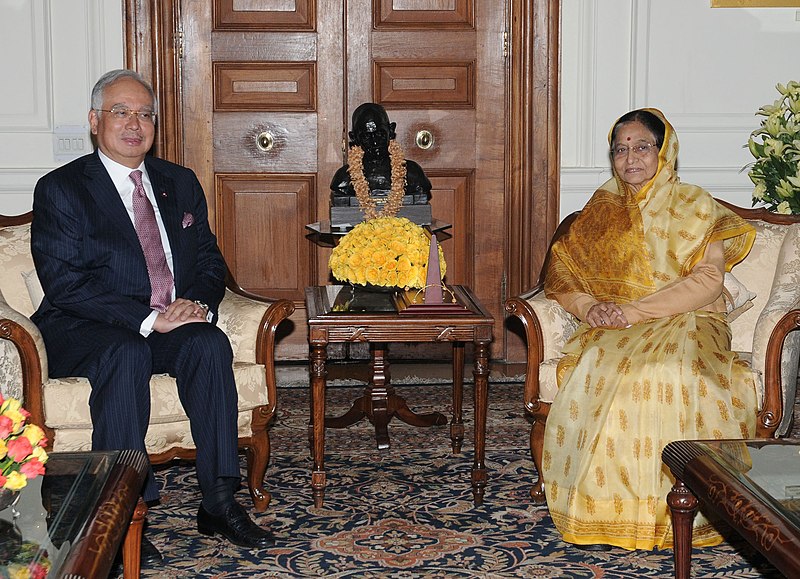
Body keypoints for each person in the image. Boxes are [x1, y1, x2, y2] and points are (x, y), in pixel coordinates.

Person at [30, 69, 274, 558]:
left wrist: (196, 303)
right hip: (82, 325)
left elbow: (209, 260)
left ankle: (220, 500)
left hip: (164, 321)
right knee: (124, 352)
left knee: (208, 341)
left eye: (145, 114)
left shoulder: (178, 183)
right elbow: (65, 284)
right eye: (120, 112)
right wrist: (148, 319)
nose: (134, 124)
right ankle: (120, 514)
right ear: (95, 121)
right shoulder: (62, 188)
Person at [541, 108, 757, 551]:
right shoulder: (600, 211)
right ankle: (609, 509)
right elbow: (562, 277)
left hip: (692, 319)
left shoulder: (694, 204)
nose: (629, 158)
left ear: (665, 151)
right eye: (620, 149)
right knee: (603, 368)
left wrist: (634, 312)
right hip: (617, 323)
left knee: (666, 373)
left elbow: (708, 280)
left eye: (641, 147)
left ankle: (683, 510)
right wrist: (591, 307)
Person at [330, 102, 431, 212]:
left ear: (391, 130)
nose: (374, 143)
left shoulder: (412, 172)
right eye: (366, 137)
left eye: (380, 134)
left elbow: (422, 195)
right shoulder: (344, 177)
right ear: (354, 138)